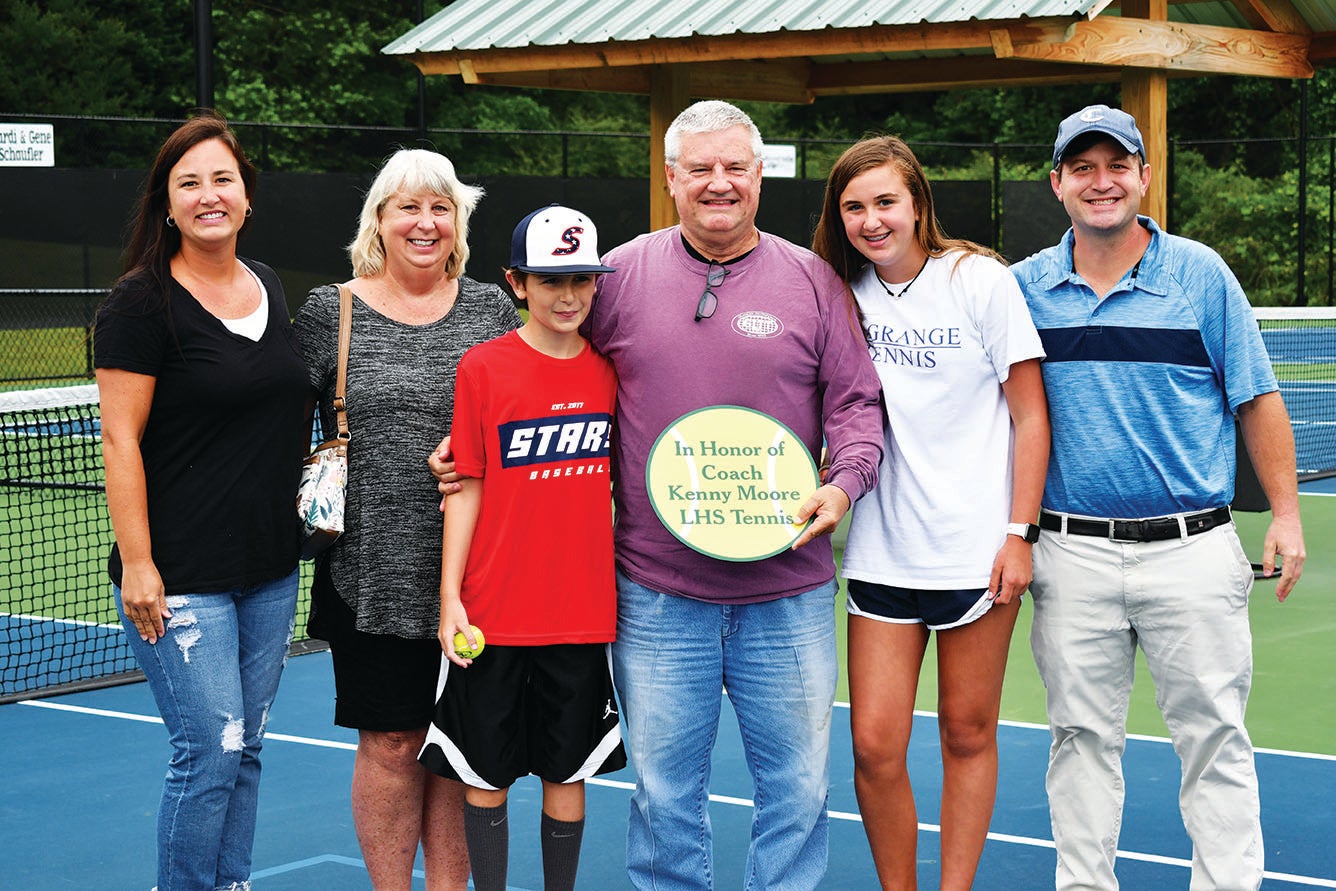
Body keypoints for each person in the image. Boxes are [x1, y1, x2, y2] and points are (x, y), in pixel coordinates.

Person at [587, 99, 884, 890]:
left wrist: (845, 483)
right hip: (656, 595)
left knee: (796, 793)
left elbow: (857, 405)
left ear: (759, 176)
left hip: (787, 593)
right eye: (701, 169)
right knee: (661, 796)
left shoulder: (815, 279)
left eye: (734, 168)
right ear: (672, 177)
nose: (719, 184)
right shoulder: (614, 277)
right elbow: (552, 378)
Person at [1011, 104, 1307, 891]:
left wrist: (1285, 513)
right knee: (1079, 737)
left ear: (1145, 175)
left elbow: (1257, 397)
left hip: (1194, 549)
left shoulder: (1201, 275)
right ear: (1057, 184)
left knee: (1214, 737)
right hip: (1071, 553)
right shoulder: (1022, 289)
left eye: (1117, 166)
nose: (1101, 182)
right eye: (1083, 168)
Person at [811, 135, 1050, 889]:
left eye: (885, 201)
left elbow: (1031, 418)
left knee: (967, 732)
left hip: (977, 553)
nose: (871, 219)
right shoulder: (835, 291)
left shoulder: (978, 279)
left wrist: (1019, 535)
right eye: (854, 206)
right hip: (882, 553)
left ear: (917, 203)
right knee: (875, 747)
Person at [292, 148, 521, 891]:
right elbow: (280, 424)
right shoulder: (333, 310)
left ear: (458, 222)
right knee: (392, 742)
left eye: (440, 208)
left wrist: (483, 454)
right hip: (370, 572)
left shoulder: (491, 307)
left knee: (458, 744)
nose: (425, 223)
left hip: (479, 570)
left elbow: (521, 415)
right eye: (408, 208)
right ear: (379, 221)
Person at [94, 110, 307, 891]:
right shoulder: (138, 304)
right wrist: (140, 564)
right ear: (167, 201)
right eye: (190, 183)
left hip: (270, 570)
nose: (209, 195)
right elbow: (120, 442)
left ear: (246, 195)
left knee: (247, 743)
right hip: (179, 576)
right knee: (209, 749)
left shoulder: (271, 287)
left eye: (223, 179)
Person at [418, 204, 626, 891]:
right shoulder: (483, 368)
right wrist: (451, 596)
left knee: (567, 772)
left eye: (582, 281)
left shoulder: (610, 375)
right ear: (517, 283)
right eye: (549, 280)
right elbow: (466, 486)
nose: (568, 296)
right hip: (493, 613)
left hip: (580, 613)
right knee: (487, 775)